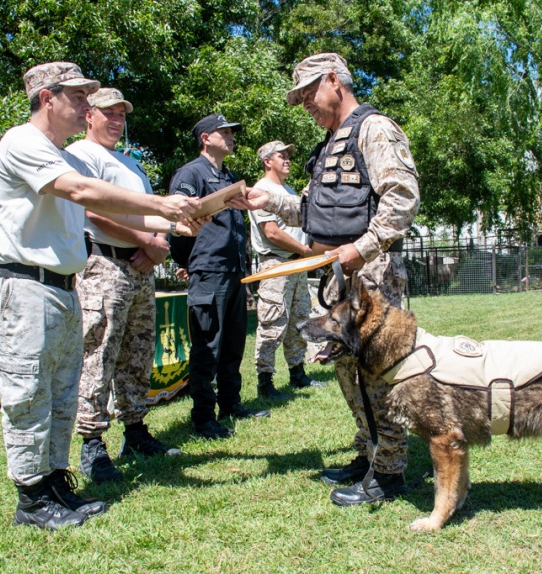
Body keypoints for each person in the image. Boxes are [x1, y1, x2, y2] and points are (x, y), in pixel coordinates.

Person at [0, 62, 203, 530]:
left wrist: (172, 223)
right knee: (27, 395)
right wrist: (163, 205)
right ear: (47, 98)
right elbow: (84, 191)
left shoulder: (58, 153)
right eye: (79, 97)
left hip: (60, 286)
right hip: (23, 288)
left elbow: (100, 200)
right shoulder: (21, 142)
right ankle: (31, 499)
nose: (87, 108)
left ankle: (55, 484)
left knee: (62, 393)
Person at [233, 53, 420, 505]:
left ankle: (390, 470)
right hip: (339, 273)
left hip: (370, 272)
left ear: (333, 81)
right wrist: (268, 201)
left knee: (378, 371)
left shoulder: (373, 129)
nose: (304, 106)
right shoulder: (329, 142)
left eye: (307, 95)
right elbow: (312, 213)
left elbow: (402, 196)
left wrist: (363, 248)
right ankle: (368, 452)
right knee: (347, 370)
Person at [65, 88, 181, 485]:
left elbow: (150, 214)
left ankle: (135, 431)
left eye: (121, 115)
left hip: (141, 269)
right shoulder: (82, 155)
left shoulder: (131, 163)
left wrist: (161, 242)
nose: (116, 121)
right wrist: (146, 241)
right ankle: (92, 444)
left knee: (137, 352)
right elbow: (92, 210)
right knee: (99, 352)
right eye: (108, 114)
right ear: (89, 116)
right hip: (104, 265)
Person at [168, 114, 270, 440]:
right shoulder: (191, 173)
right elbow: (179, 222)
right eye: (224, 132)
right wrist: (188, 261)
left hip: (234, 272)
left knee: (232, 346)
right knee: (207, 348)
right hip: (210, 272)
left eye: (231, 132)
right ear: (205, 138)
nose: (231, 136)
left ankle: (230, 405)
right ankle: (203, 417)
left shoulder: (228, 176)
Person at [249, 140, 326, 400]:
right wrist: (305, 251)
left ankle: (297, 372)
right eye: (281, 155)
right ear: (267, 161)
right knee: (273, 320)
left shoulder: (288, 189)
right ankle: (265, 380)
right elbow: (271, 232)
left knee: (298, 319)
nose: (287, 159)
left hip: (297, 263)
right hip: (276, 263)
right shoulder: (261, 189)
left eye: (288, 155)